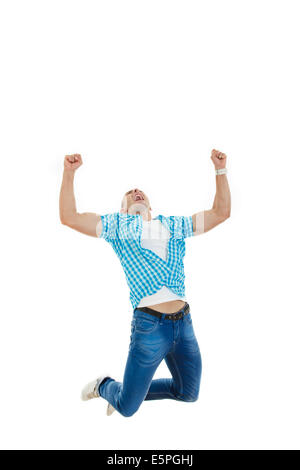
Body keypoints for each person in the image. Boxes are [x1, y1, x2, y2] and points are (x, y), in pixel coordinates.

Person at [59, 149, 231, 417]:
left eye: (140, 191)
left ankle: (128, 391)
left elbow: (221, 213)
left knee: (188, 393)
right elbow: (69, 217)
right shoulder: (117, 226)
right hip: (149, 327)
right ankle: (105, 386)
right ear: (123, 209)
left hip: (183, 324)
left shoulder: (174, 225)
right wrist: (69, 173)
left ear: (151, 207)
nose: (136, 190)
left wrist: (220, 170)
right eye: (129, 192)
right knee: (128, 408)